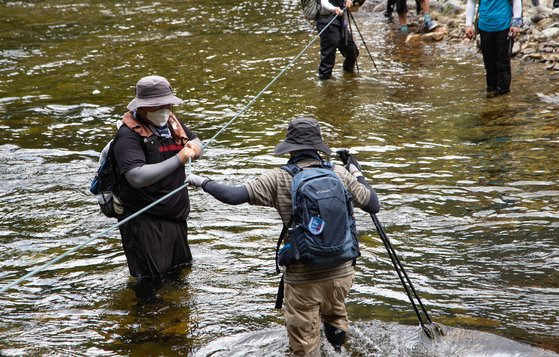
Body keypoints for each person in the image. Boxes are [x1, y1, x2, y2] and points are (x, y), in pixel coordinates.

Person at [186, 117, 380, 355]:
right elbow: (373, 205)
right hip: (342, 271)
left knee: (304, 344)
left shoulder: (278, 178)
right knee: (335, 311)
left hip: (303, 278)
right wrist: (357, 174)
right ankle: (339, 347)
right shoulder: (338, 172)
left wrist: (202, 182)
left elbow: (234, 196)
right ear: (318, 146)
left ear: (291, 148)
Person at [112, 75, 203, 296]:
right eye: (157, 106)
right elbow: (137, 177)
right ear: (142, 108)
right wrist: (179, 159)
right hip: (144, 225)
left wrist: (197, 147)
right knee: (151, 288)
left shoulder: (173, 124)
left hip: (176, 219)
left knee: (179, 277)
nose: (163, 110)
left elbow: (195, 140)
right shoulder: (127, 137)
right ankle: (147, 330)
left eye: (167, 104)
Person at [465, 0, 522, 96]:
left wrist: (516, 22)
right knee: (489, 65)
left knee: (503, 64)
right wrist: (468, 24)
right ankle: (491, 93)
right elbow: (471, 2)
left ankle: (503, 96)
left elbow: (516, 1)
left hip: (504, 26)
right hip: (484, 27)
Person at [317, 0, 359, 80]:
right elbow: (323, 2)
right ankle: (324, 85)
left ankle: (348, 78)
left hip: (340, 21)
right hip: (326, 21)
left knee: (352, 52)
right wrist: (334, 9)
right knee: (328, 60)